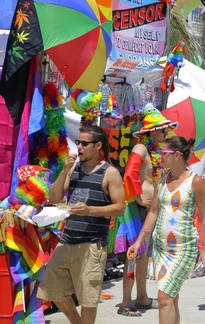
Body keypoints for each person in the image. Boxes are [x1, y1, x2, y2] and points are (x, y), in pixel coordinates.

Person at [38, 126, 126, 324]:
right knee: (52, 289)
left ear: (97, 146)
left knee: (88, 298)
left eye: (84, 143)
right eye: (78, 142)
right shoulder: (74, 168)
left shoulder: (109, 173)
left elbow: (120, 208)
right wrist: (64, 170)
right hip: (68, 239)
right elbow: (53, 198)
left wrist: (90, 210)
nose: (79, 147)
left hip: (92, 245)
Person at [127, 136, 205, 324]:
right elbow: (153, 212)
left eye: (164, 153)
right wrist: (139, 241)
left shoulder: (195, 181)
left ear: (178, 155)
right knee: (171, 298)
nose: (160, 157)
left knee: (163, 298)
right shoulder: (162, 179)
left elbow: (204, 216)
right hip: (161, 249)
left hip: (183, 249)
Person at [117, 104, 178, 316]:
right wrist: (137, 196)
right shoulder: (140, 149)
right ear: (151, 130)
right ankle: (126, 302)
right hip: (137, 208)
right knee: (134, 255)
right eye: (162, 129)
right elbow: (129, 175)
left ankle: (141, 296)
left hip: (150, 208)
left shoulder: (156, 151)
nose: (165, 132)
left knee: (144, 256)